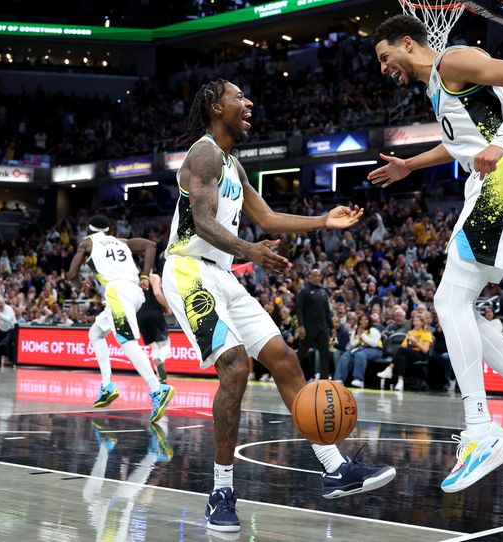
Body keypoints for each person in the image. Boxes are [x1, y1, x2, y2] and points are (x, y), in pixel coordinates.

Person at [163, 79, 395, 533]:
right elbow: (203, 222)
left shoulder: (234, 165)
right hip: (189, 271)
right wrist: (250, 251)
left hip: (223, 275)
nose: (248, 103)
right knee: (234, 368)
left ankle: (334, 470)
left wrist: (323, 220)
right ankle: (221, 492)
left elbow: (266, 218)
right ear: (216, 106)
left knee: (285, 360)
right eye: (239, 97)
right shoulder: (204, 153)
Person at [368, 16, 503, 492]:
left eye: (386, 57)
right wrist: (410, 164)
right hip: (490, 184)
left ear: (408, 43)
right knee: (460, 308)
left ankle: (482, 429)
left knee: (449, 303)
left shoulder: (454, 60)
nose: (384, 68)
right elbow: (457, 144)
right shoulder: (435, 87)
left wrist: (499, 141)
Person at [66, 216, 174, 423]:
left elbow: (71, 274)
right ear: (108, 229)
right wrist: (144, 276)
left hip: (117, 292)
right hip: (135, 292)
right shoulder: (121, 241)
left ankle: (157, 388)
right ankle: (107, 385)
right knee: (95, 333)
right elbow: (151, 245)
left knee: (127, 343)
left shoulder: (87, 242)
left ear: (89, 229)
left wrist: (80, 287)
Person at [377, 313, 432, 391]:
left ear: (422, 323)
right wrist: (410, 343)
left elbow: (425, 350)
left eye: (417, 321)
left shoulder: (426, 333)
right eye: (414, 321)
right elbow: (404, 346)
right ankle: (400, 381)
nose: (415, 323)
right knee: (402, 357)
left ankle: (389, 368)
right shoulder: (410, 332)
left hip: (421, 354)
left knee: (400, 350)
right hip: (410, 352)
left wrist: (416, 342)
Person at [296, 267, 333, 380]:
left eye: (319, 275)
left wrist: (331, 327)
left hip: (322, 327)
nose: (317, 277)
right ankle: (289, 373)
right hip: (309, 326)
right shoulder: (304, 291)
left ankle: (324, 378)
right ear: (310, 277)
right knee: (302, 351)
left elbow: (327, 311)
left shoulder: (323, 292)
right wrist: (301, 325)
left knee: (324, 353)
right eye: (315, 275)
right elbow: (299, 309)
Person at [137, 272, 172, 383]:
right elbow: (157, 293)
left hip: (140, 315)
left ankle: (160, 378)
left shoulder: (134, 280)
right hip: (154, 312)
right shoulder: (153, 277)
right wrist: (167, 306)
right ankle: (160, 360)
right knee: (166, 345)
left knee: (155, 348)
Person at [333, 314, 382, 388]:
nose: (363, 321)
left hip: (375, 350)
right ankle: (339, 379)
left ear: (369, 321)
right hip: (359, 349)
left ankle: (359, 379)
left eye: (366, 319)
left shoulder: (373, 330)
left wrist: (362, 335)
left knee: (360, 354)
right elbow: (352, 344)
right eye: (361, 320)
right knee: (346, 355)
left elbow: (374, 344)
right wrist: (358, 338)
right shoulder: (356, 331)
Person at [0, 298, 17, 365]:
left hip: (11, 328)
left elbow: (7, 319)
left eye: (1, 303)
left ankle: (11, 359)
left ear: (4, 303)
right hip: (1, 328)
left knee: (8, 342)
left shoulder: (9, 309)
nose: (0, 305)